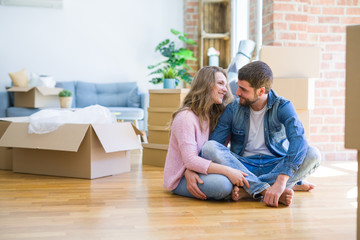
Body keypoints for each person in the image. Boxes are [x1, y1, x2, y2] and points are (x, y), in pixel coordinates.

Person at [186, 61, 321, 207]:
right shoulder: (233, 108)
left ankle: (251, 189)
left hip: (275, 165)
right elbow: (214, 145)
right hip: (243, 166)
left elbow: (299, 142)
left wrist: (282, 179)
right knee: (209, 147)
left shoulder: (283, 107)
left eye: (243, 89)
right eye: (238, 86)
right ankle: (268, 190)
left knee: (313, 154)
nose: (237, 93)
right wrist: (192, 168)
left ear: (261, 91)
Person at [163, 66, 250, 200]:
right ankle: (245, 190)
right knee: (224, 185)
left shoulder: (215, 115)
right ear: (205, 85)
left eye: (225, 85)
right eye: (220, 83)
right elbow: (190, 159)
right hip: (180, 177)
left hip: (197, 169)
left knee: (229, 179)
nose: (225, 90)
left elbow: (217, 151)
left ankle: (245, 190)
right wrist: (229, 171)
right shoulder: (185, 117)